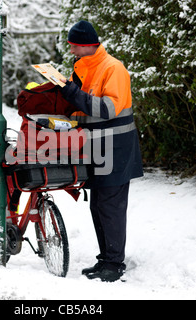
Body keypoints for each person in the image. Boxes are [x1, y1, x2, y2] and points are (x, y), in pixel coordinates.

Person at [59, 20, 144, 282]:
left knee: (111, 207)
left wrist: (71, 91)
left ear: (85, 45)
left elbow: (107, 109)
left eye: (73, 45)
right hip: (97, 147)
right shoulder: (85, 67)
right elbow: (83, 108)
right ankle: (105, 259)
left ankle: (114, 264)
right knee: (98, 205)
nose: (71, 50)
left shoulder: (113, 68)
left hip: (116, 149)